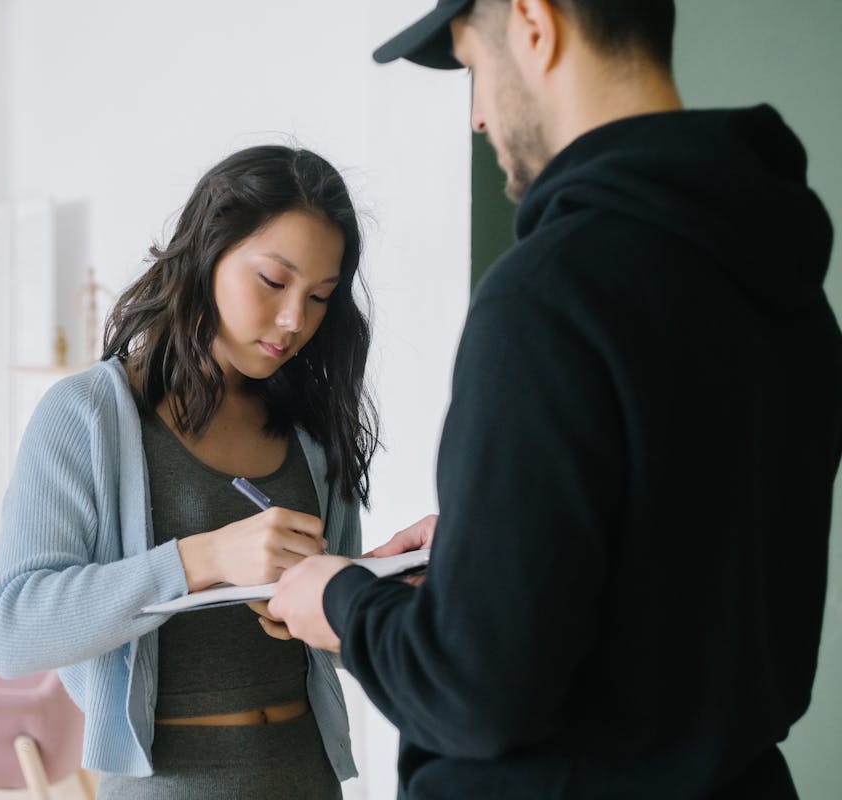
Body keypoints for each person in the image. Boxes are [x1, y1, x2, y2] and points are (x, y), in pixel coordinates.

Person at [268, 1, 842, 798]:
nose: (475, 117)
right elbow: (684, 560)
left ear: (535, 24)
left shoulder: (550, 293)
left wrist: (344, 601)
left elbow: (477, 691)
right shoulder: (787, 287)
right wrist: (488, 549)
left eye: (473, 66)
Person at [0, 144, 379, 799]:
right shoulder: (87, 416)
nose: (295, 322)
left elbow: (338, 644)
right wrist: (205, 559)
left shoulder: (311, 428)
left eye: (320, 298)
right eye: (274, 282)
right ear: (207, 253)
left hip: (307, 776)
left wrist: (370, 589)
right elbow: (13, 631)